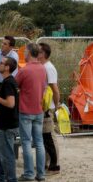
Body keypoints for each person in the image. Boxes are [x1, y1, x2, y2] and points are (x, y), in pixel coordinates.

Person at [16, 43, 46, 182]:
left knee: (26, 143)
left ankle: (29, 174)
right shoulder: (42, 68)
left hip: (26, 111)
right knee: (39, 143)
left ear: (28, 52)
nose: (24, 54)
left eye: (25, 51)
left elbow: (15, 86)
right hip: (39, 110)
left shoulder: (24, 70)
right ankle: (41, 174)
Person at [0, 56, 19, 182]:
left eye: (1, 63)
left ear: (7, 67)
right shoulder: (9, 81)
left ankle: (11, 179)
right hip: (5, 124)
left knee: (7, 155)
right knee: (1, 153)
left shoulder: (8, 83)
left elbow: (10, 103)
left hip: (7, 125)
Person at [38, 42, 61, 175]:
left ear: (44, 54)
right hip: (44, 108)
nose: (37, 53)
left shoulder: (49, 67)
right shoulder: (43, 66)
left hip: (48, 108)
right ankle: (46, 164)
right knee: (45, 137)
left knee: (50, 137)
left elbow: (55, 88)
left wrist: (56, 105)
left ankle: (54, 166)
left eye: (39, 51)